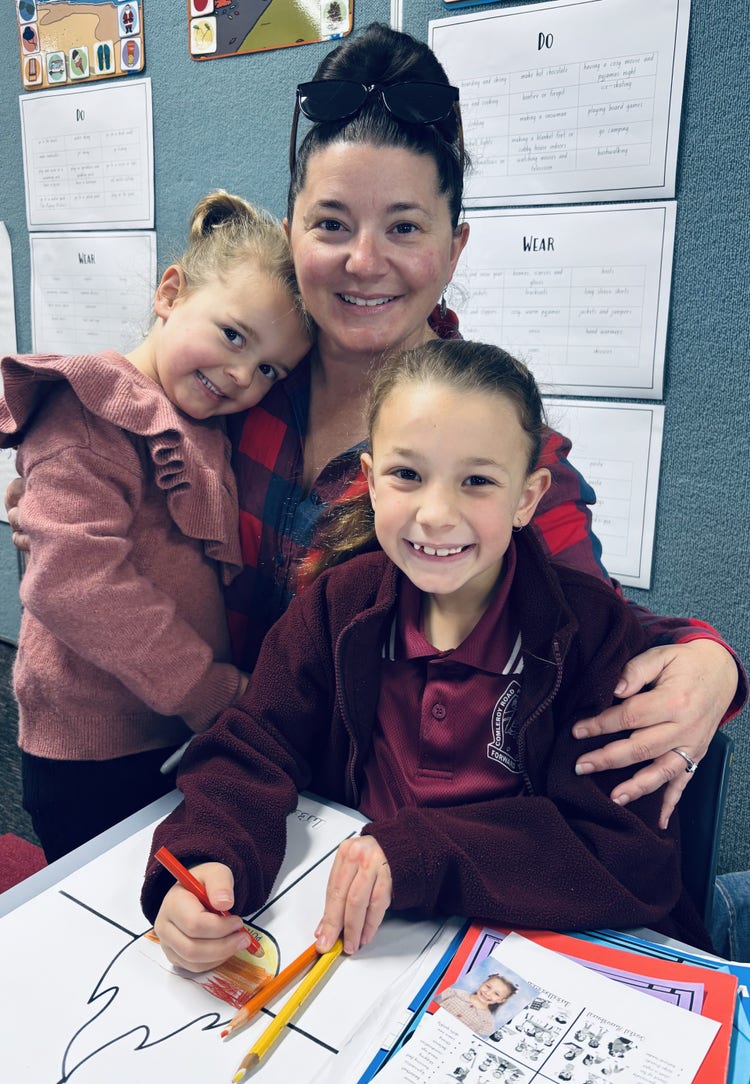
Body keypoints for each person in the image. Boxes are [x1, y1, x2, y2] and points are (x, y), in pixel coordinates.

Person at [4, 27, 743, 837]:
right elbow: (105, 486)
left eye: (404, 227)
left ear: (454, 249)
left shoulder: (487, 443)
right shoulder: (242, 391)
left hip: (371, 832)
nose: (363, 261)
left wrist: (712, 660)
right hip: (216, 789)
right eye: (330, 224)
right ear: (292, 232)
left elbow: (591, 623)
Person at [141, 339, 713, 972]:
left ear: (527, 498)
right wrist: (208, 854)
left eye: (478, 481)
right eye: (407, 475)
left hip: (526, 955)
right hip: (369, 951)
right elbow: (253, 745)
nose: (436, 515)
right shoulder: (336, 605)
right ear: (370, 483)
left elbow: (626, 857)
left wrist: (418, 853)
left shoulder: (589, 634)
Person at [0, 190, 311, 861]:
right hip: (93, 751)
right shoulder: (93, 409)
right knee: (99, 901)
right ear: (170, 293)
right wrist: (206, 689)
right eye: (233, 335)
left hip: (163, 732)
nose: (241, 375)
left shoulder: (200, 423)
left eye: (268, 368)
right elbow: (70, 583)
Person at [437, 971, 519, 1037]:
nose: (488, 993)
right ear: (483, 983)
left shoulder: (487, 1022)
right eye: (488, 987)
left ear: (501, 1000)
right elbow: (436, 1005)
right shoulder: (455, 993)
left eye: (496, 994)